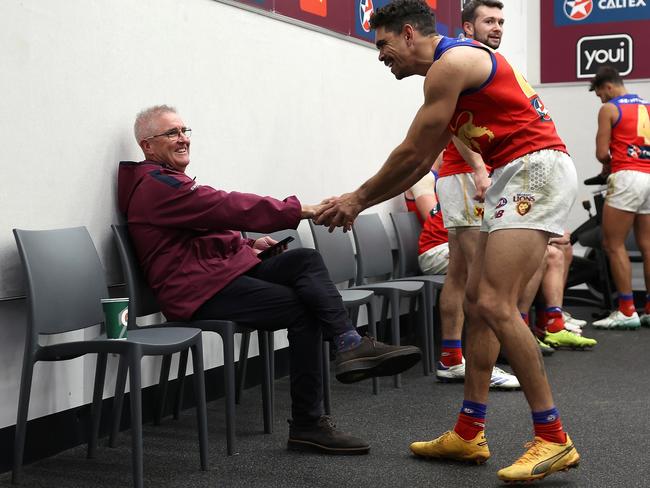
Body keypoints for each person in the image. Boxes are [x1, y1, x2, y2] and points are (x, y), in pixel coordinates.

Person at [314, 1, 580, 481]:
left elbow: (413, 150)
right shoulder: (452, 73)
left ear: (409, 33)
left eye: (384, 44)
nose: (381, 56)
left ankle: (552, 437)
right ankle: (468, 431)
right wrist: (360, 200)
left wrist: (356, 199)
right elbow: (420, 163)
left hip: (534, 168)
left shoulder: (451, 64)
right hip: (514, 172)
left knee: (497, 303)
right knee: (479, 303)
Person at [117, 104, 422, 455]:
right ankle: (309, 422)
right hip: (195, 292)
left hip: (216, 275)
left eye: (185, 130)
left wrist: (248, 244)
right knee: (302, 309)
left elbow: (199, 235)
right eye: (172, 133)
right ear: (147, 146)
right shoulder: (155, 186)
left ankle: (348, 341)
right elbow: (224, 206)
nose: (183, 138)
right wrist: (301, 210)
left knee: (303, 260)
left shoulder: (168, 182)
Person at [416, 0, 518, 389]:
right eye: (488, 21)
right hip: (462, 177)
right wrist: (478, 169)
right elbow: (452, 126)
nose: (497, 27)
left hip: (464, 178)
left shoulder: (478, 60)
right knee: (480, 276)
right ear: (467, 28)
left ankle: (451, 358)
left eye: (501, 21)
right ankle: (481, 365)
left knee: (461, 273)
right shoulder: (460, 60)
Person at [589, 66, 650, 329]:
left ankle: (626, 310)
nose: (602, 99)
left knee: (612, 244)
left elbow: (602, 153)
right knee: (647, 245)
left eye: (601, 94)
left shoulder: (610, 109)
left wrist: (606, 164)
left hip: (627, 176)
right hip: (649, 177)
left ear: (608, 87)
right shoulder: (647, 106)